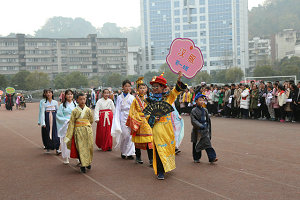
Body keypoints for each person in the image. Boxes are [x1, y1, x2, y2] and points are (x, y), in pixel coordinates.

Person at [146, 71, 187, 180]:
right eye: (153, 87)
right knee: (159, 148)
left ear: (162, 88)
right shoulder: (149, 100)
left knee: (168, 148)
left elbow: (175, 92)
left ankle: (166, 166)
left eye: (157, 86)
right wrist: (154, 118)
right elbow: (146, 115)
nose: (154, 89)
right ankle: (160, 171)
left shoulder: (168, 98)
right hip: (157, 127)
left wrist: (179, 80)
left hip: (168, 128)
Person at [126, 77, 153, 165]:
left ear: (146, 89)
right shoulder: (135, 100)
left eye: (144, 88)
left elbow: (151, 110)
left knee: (149, 140)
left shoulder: (148, 100)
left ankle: (151, 160)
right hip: (138, 122)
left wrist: (150, 117)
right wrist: (138, 120)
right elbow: (132, 112)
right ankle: (138, 157)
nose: (142, 90)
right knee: (137, 141)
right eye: (140, 88)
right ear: (137, 89)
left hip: (146, 122)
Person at [64, 93, 94, 173]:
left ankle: (88, 162)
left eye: (84, 99)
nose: (82, 101)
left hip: (87, 131)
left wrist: (86, 125)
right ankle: (83, 164)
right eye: (80, 99)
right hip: (78, 131)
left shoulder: (88, 110)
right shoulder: (75, 111)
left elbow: (91, 120)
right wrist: (69, 134)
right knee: (80, 147)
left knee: (89, 146)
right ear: (77, 100)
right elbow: (72, 123)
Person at [111, 80, 135, 160]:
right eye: (126, 86)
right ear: (122, 87)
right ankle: (123, 151)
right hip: (122, 117)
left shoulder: (132, 97)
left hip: (130, 117)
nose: (127, 88)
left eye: (129, 86)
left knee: (130, 135)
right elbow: (117, 108)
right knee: (124, 135)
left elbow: (134, 109)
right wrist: (116, 119)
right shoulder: (119, 97)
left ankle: (130, 153)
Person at [191, 93, 218, 164]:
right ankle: (196, 158)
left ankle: (212, 157)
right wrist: (200, 126)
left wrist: (208, 128)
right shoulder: (193, 110)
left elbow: (208, 120)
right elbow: (193, 121)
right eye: (200, 100)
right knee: (196, 144)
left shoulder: (205, 110)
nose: (202, 102)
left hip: (205, 130)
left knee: (207, 144)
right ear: (196, 101)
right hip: (197, 131)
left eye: (203, 100)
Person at [56, 90, 77, 164]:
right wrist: (67, 120)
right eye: (68, 94)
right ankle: (66, 157)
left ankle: (77, 156)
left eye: (71, 94)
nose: (70, 96)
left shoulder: (76, 105)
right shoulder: (62, 105)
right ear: (65, 96)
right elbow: (59, 116)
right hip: (66, 124)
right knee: (66, 140)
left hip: (75, 124)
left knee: (75, 140)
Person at [40, 89, 60, 154]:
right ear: (45, 94)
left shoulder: (55, 102)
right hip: (47, 118)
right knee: (47, 132)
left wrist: (59, 120)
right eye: (47, 93)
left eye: (50, 92)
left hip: (54, 117)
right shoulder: (44, 103)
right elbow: (42, 113)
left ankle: (57, 148)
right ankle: (48, 147)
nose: (48, 94)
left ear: (52, 94)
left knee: (55, 133)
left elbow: (58, 111)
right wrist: (43, 122)